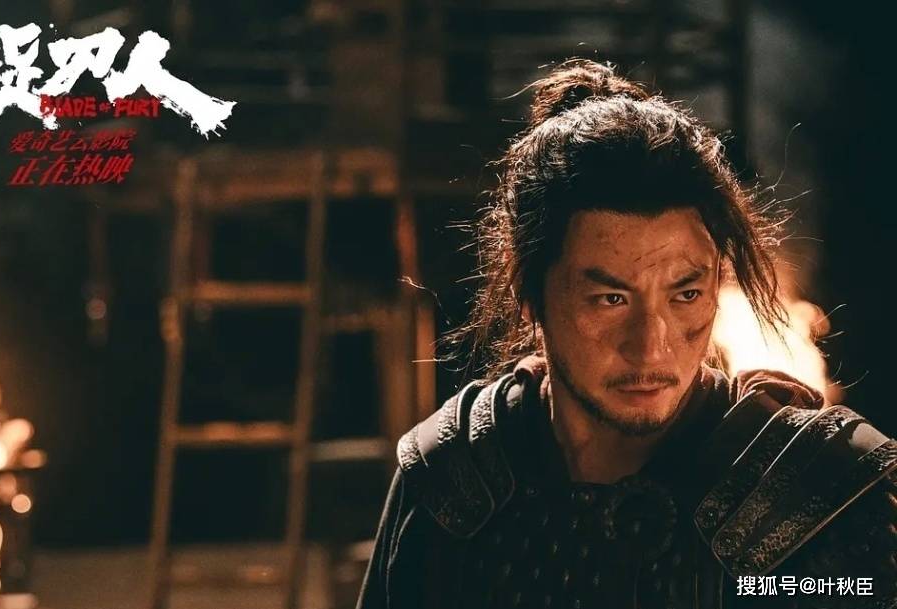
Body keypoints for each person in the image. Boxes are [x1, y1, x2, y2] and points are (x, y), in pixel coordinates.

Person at [355, 59, 897, 609]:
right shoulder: (453, 480)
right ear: (529, 292)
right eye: (611, 299)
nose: (651, 347)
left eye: (685, 295)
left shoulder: (818, 489)